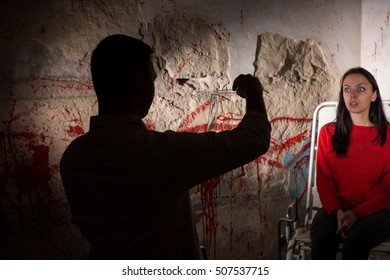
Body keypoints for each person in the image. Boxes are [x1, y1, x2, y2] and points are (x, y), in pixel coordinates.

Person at [60, 34, 271, 259]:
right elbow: (254, 139)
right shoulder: (158, 153)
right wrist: (254, 91)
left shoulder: (73, 157)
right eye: (152, 78)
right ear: (139, 82)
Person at [310, 66, 390, 259]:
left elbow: (387, 187)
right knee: (322, 238)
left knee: (355, 241)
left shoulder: (388, 135)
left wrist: (357, 213)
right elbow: (324, 180)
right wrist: (338, 211)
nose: (353, 95)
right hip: (336, 208)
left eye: (361, 89)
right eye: (347, 89)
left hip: (379, 210)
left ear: (373, 95)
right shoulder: (328, 133)